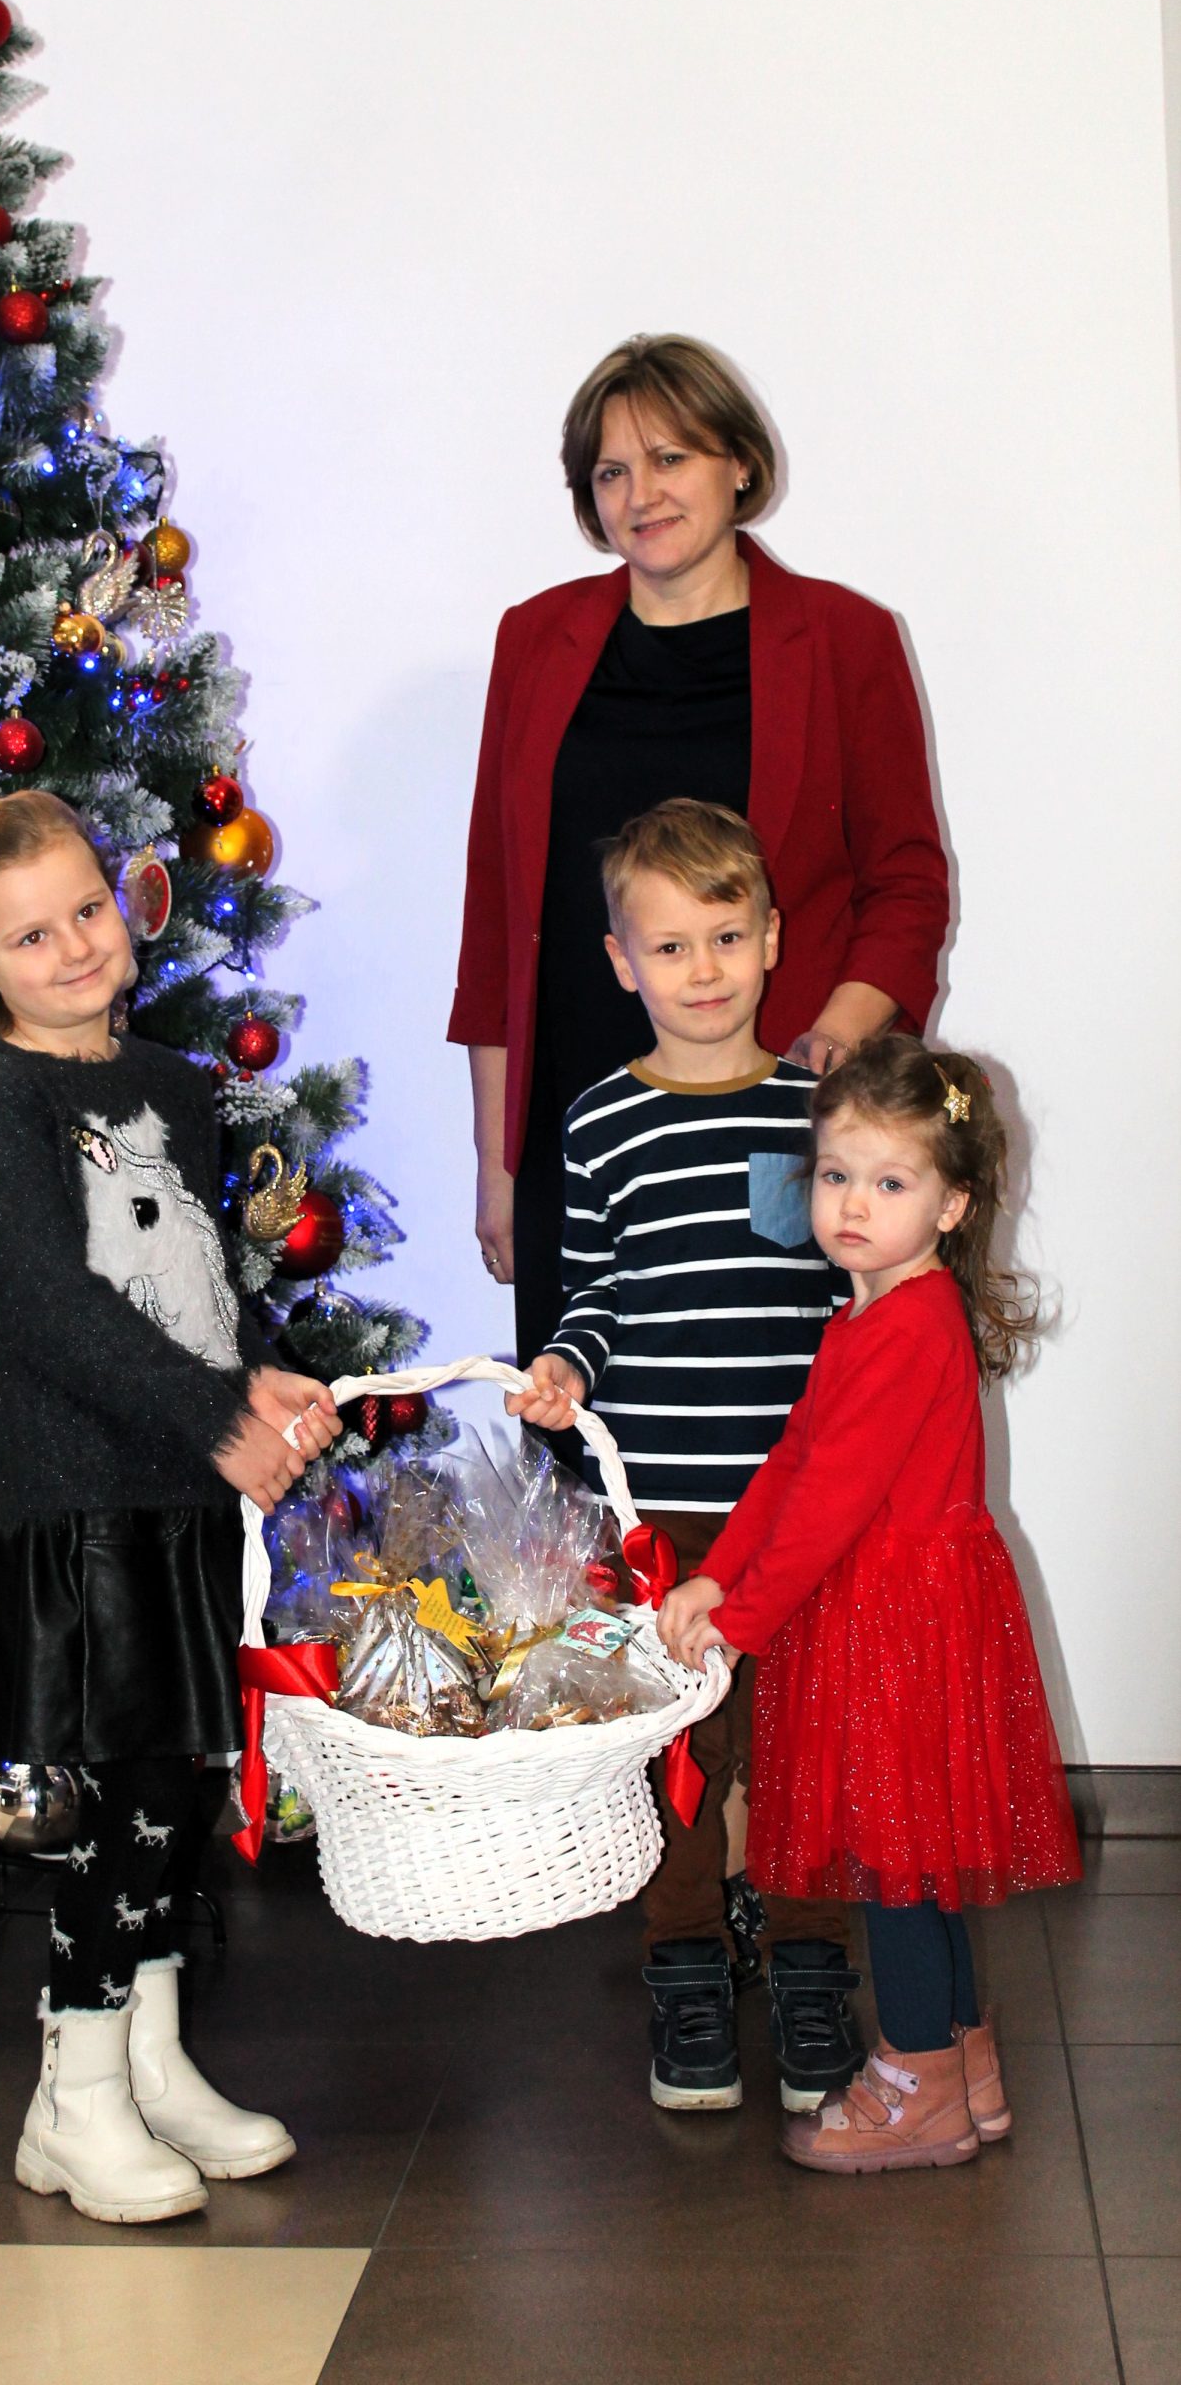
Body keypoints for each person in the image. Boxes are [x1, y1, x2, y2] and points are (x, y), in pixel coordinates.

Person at [0, 788, 339, 2224]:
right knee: (113, 1792)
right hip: (72, 1497)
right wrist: (219, 1418)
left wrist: (256, 1381)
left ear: (125, 902)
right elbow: (44, 1310)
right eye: (28, 937)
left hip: (176, 1488)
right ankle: (75, 2094)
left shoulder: (170, 1085)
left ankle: (151, 2066)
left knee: (178, 1778)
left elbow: (191, 1285)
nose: (73, 949)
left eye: (87, 911)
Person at [449, 331, 949, 1381]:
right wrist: (499, 1163)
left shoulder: (845, 638)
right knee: (583, 1419)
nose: (642, 494)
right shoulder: (533, 641)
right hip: (575, 1121)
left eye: (670, 457)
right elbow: (496, 915)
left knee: (765, 1405)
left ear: (740, 464)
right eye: (610, 472)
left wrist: (825, 1050)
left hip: (775, 1118)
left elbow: (905, 884)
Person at [658, 1034, 1081, 2173]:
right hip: (891, 1613)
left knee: (898, 1864)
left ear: (952, 1205)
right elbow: (794, 1462)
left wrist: (739, 1621)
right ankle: (962, 2069)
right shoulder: (867, 1316)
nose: (851, 1204)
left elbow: (830, 1501)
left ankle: (917, 2084)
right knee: (918, 1857)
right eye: (837, 1174)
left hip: (900, 1625)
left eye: (890, 1183)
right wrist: (717, 1572)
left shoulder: (907, 1326)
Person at [506, 798, 860, 2114]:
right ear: (621, 962)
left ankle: (813, 1960)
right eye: (668, 946)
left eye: (724, 936)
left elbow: (850, 1296)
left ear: (771, 939)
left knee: (805, 1747)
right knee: (681, 1752)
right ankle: (686, 1961)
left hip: (802, 1512)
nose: (701, 970)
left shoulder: (816, 1113)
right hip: (662, 1510)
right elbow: (595, 1292)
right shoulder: (603, 1120)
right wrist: (564, 1366)